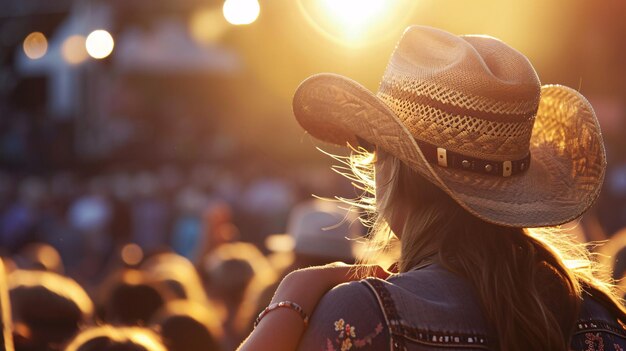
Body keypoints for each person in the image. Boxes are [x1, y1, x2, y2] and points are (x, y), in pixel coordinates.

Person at [238, 26, 626, 351]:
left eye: (375, 150)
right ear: (518, 189)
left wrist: (289, 301)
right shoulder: (600, 319)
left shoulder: (365, 314)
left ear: (392, 169)